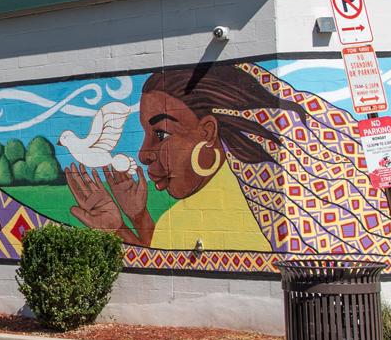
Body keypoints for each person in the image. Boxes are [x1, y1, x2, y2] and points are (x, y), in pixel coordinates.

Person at [65, 62, 284, 252]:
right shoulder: (252, 202)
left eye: (161, 133)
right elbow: (162, 262)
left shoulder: (211, 215)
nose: (143, 154)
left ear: (207, 132)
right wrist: (134, 219)